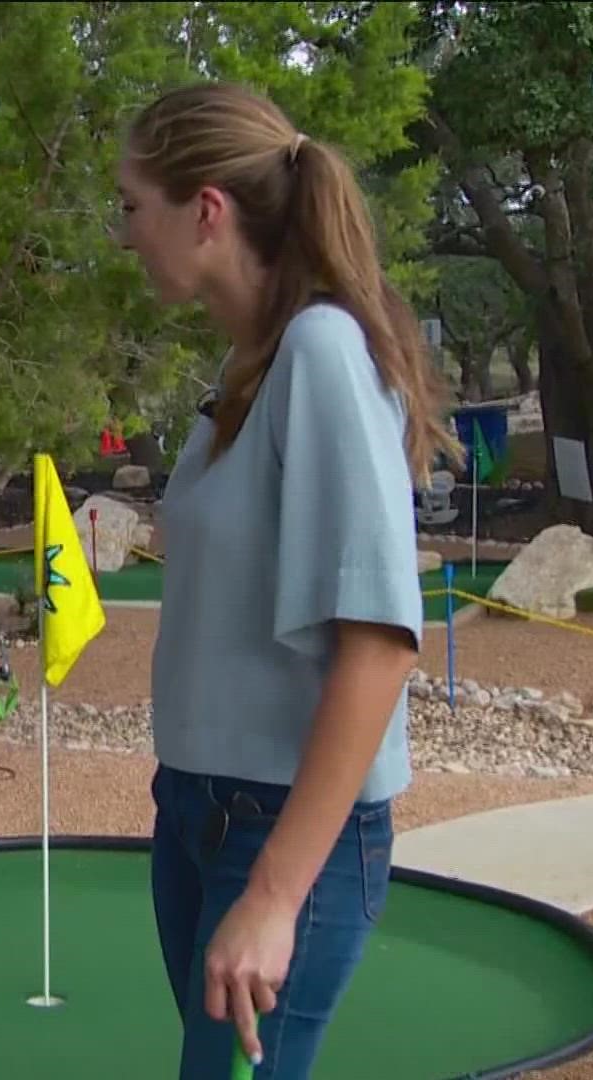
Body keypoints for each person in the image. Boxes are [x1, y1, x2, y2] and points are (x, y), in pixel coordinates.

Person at [111, 82, 463, 1079]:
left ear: (207, 210)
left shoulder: (321, 351)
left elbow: (380, 648)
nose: (123, 234)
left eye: (134, 207)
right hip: (194, 809)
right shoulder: (247, 369)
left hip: (278, 828)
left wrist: (271, 895)